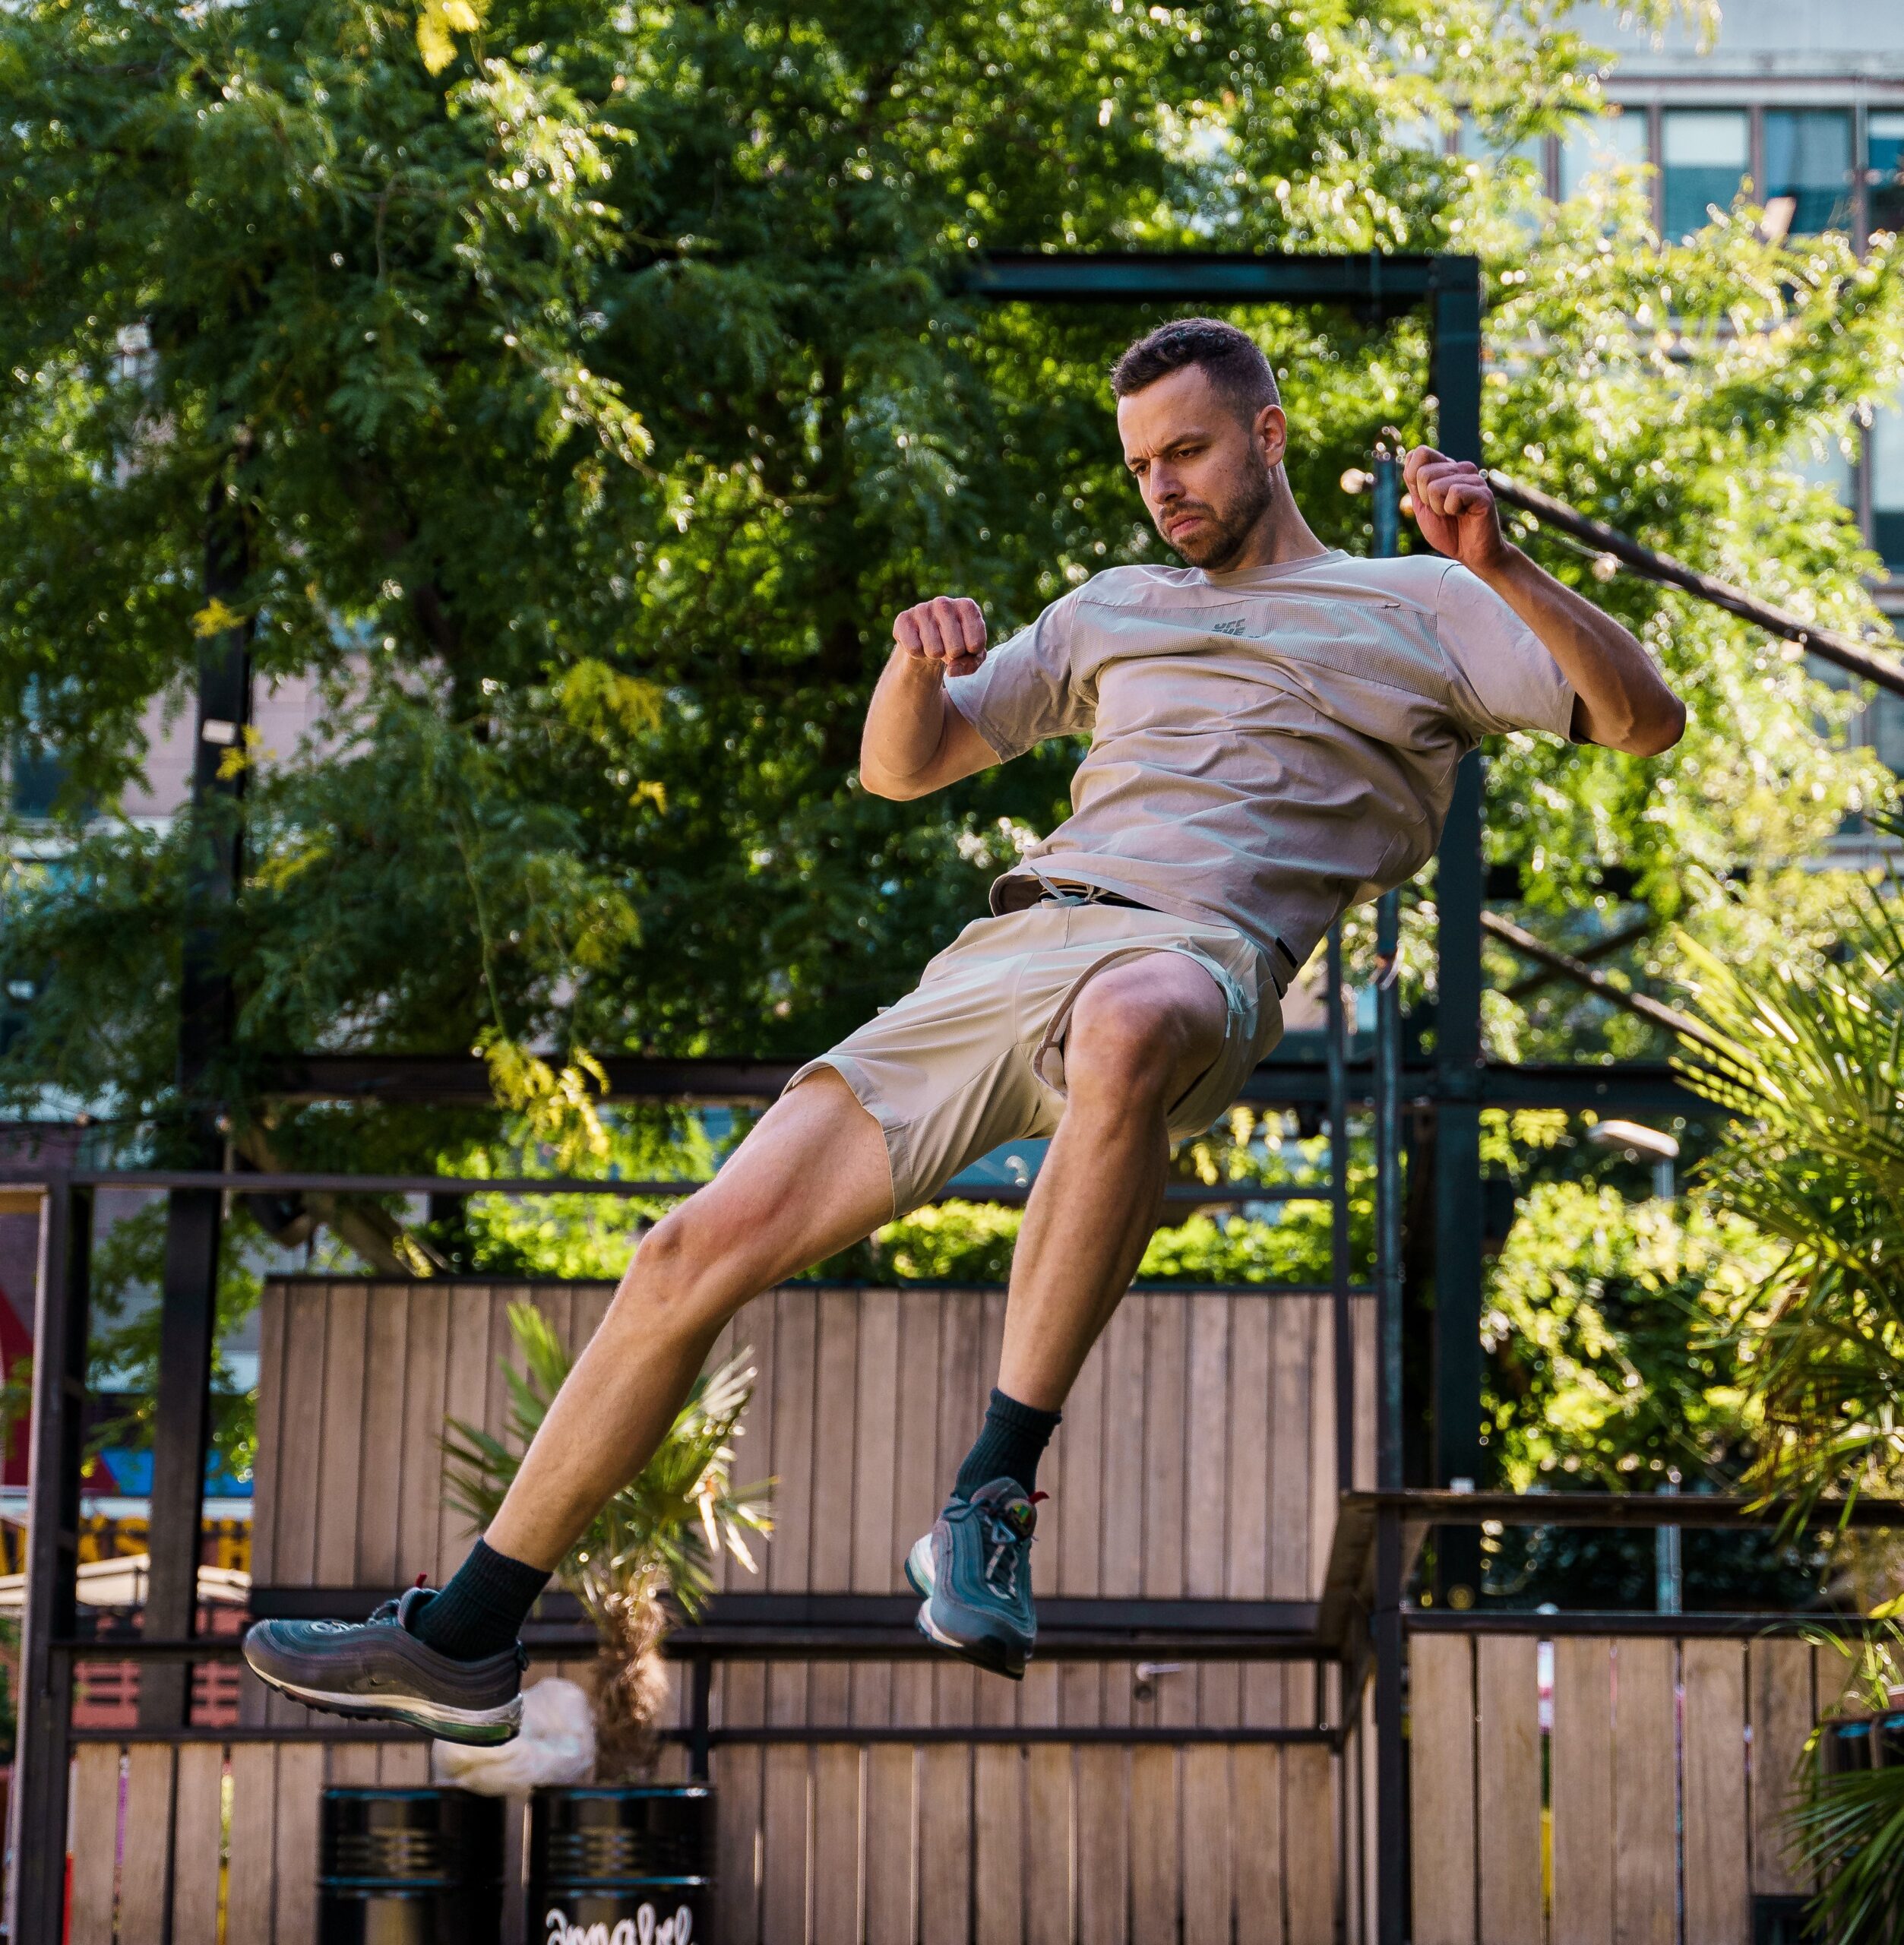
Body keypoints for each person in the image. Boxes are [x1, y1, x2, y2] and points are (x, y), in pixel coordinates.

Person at [244, 317, 1684, 1741]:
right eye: (1137, 467)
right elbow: (904, 768)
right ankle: (464, 1636)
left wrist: (1501, 566)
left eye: (1185, 450)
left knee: (1128, 1022)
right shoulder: (1111, 605)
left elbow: (1641, 720)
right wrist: (912, 665)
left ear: (1267, 434)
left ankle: (991, 1499)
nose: (1162, 486)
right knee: (685, 1252)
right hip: (1011, 948)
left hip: (1201, 953)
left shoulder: (1419, 606)